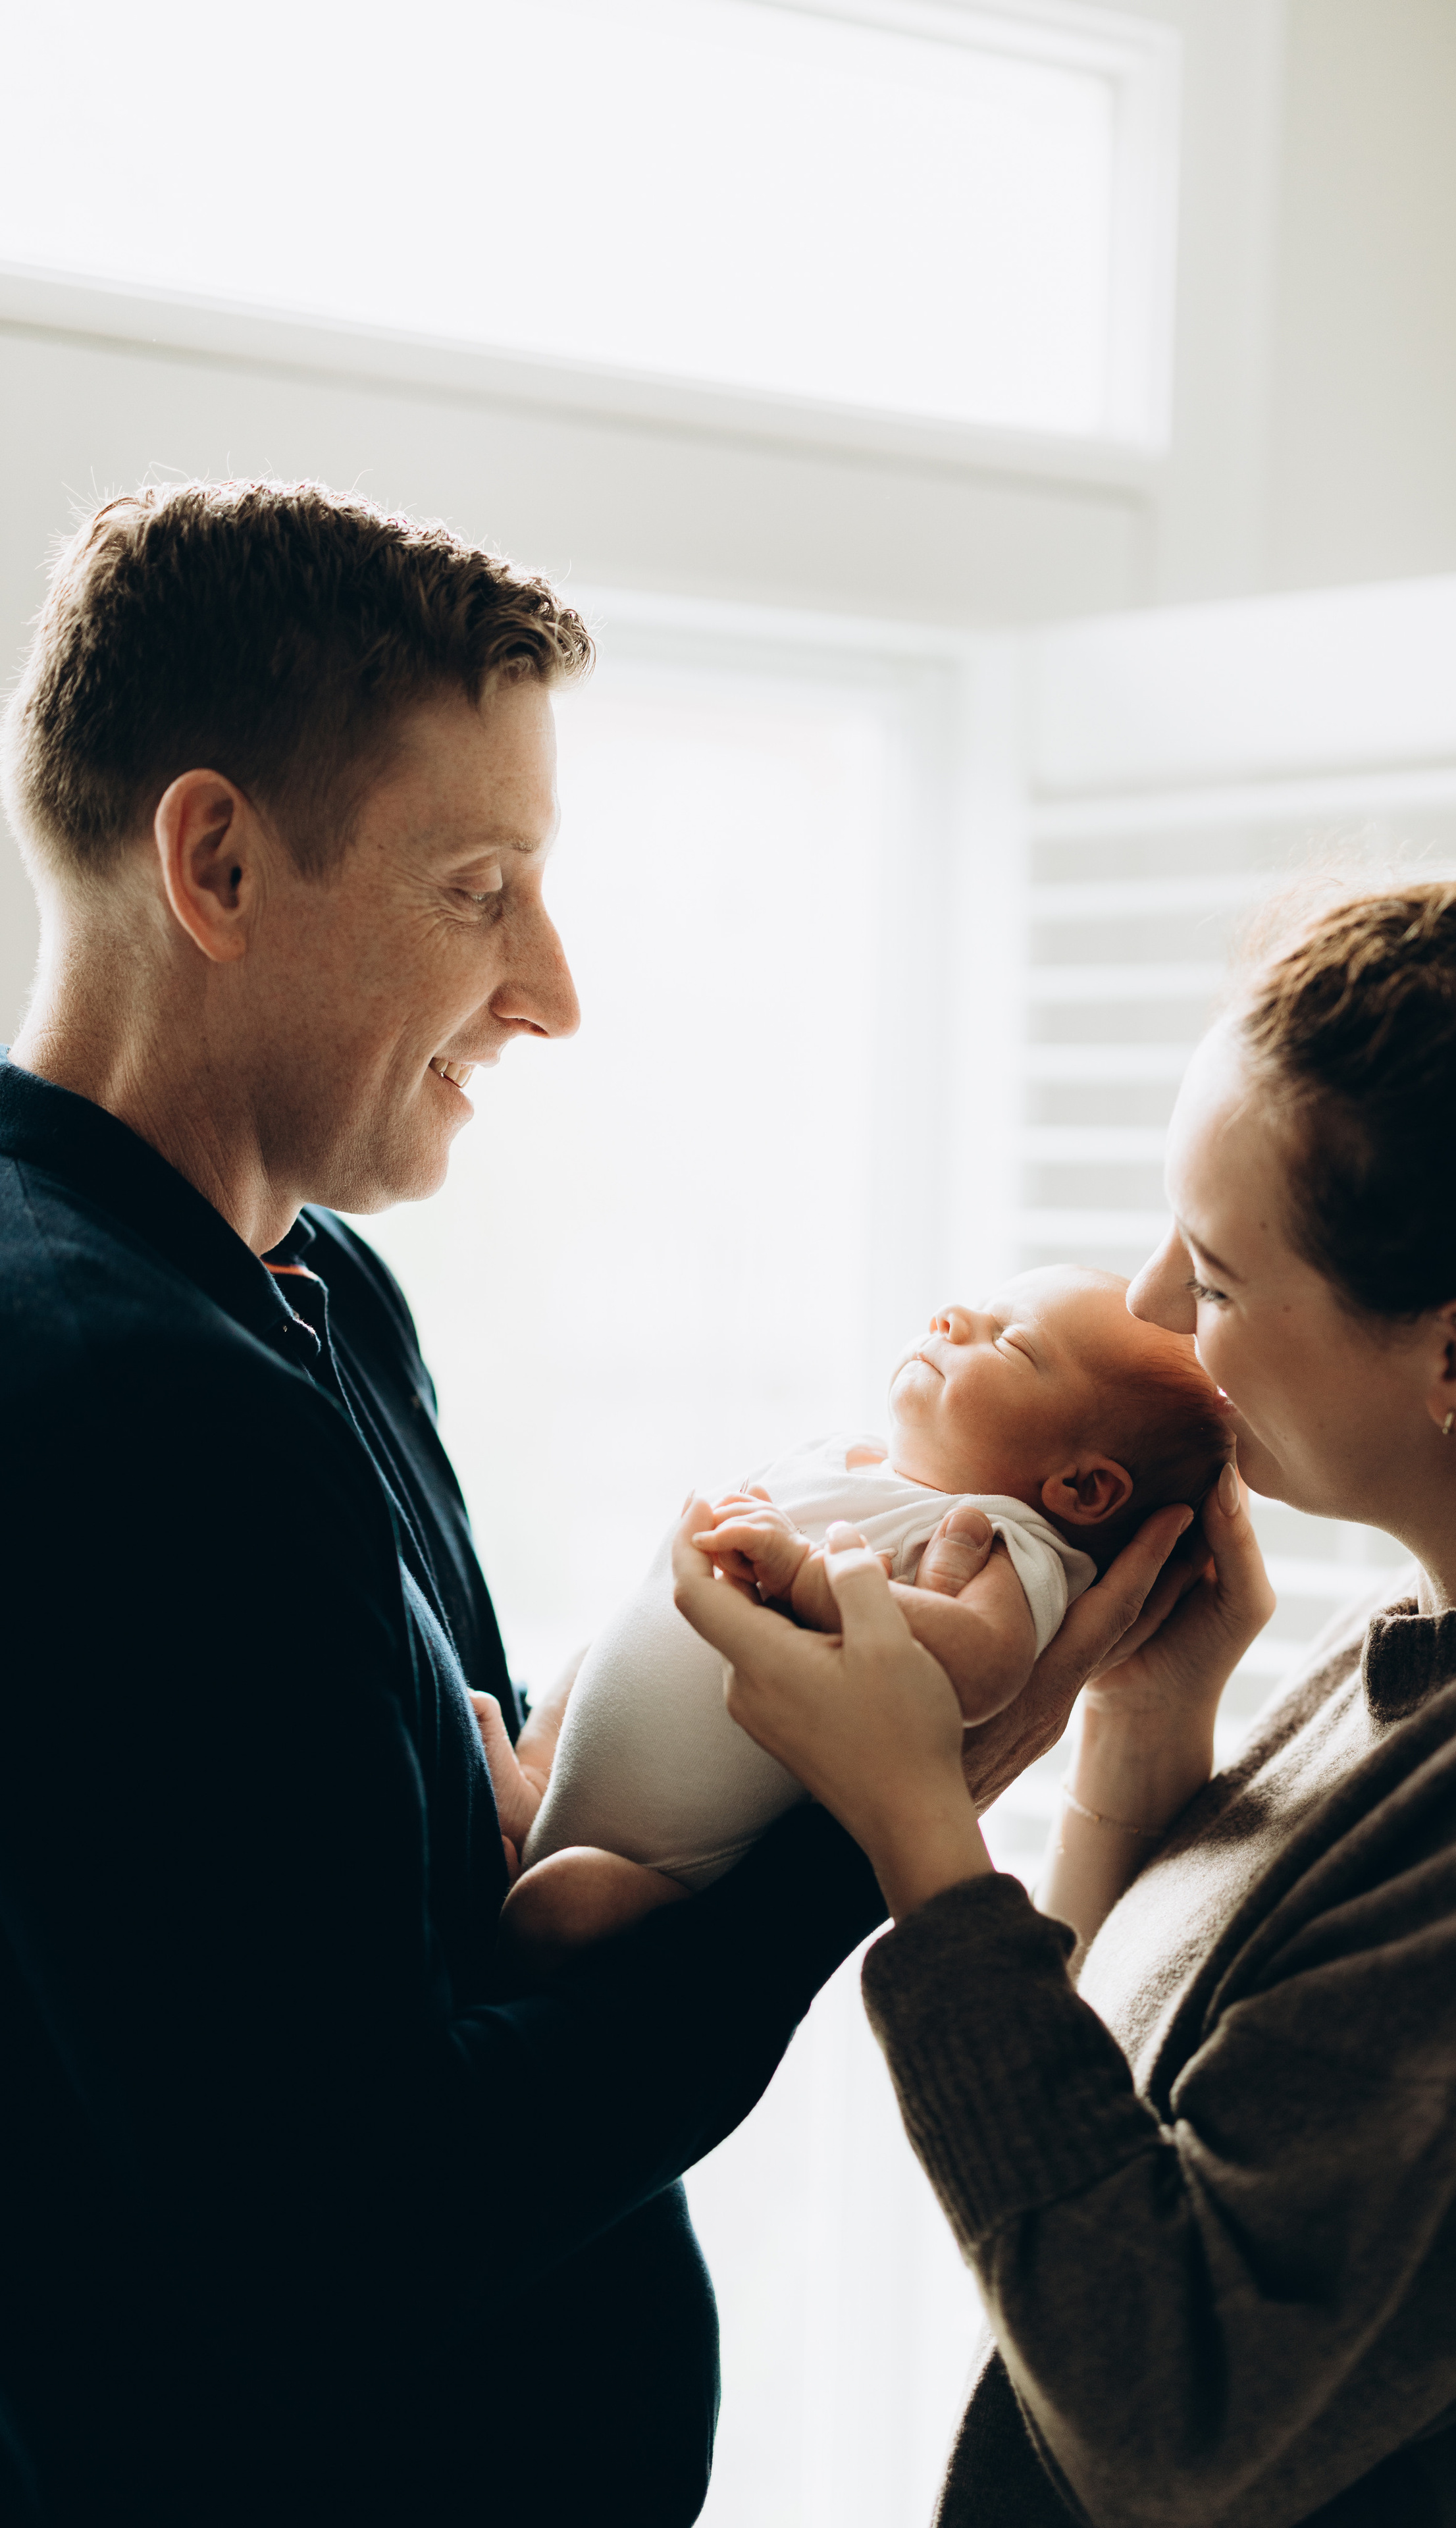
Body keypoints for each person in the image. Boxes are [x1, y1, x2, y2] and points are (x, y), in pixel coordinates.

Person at [0, 479, 1193, 2528]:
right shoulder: (119, 1397)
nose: (552, 987)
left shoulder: (313, 1292)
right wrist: (887, 1806)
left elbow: (454, 1911)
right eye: (481, 887)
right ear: (212, 859)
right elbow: (356, 2229)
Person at [674, 819, 1456, 2525]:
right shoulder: (1443, 1648)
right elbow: (1119, 2153)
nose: (1148, 1307)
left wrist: (925, 1835)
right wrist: (1147, 1739)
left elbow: (1169, 2410)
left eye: (1210, 1275)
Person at [474, 1266, 1228, 1959]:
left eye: (1011, 1342)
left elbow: (983, 1667)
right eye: (975, 1308)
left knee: (558, 1903)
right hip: (607, 1759)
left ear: (1083, 1489)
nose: (951, 1317)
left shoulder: (1007, 1540)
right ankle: (539, 1785)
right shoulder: (846, 1453)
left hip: (663, 1864)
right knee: (588, 1653)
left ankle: (556, 1855)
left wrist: (806, 1573)